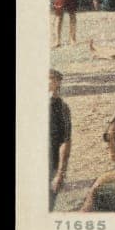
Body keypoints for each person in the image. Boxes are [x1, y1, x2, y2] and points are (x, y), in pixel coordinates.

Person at [49, 70, 72, 210]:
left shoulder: (62, 108)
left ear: (58, 83)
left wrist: (60, 174)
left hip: (51, 165)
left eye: (50, 79)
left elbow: (65, 142)